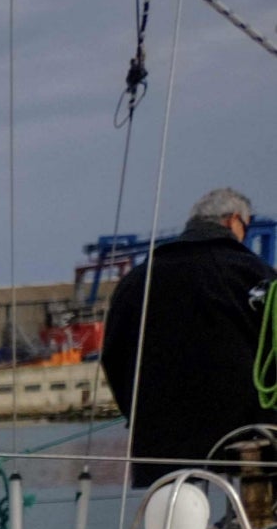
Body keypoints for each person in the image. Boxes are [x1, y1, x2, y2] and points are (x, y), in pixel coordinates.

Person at [101, 185, 277, 483]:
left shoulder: (135, 282)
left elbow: (114, 357)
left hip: (161, 437)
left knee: (176, 517)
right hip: (247, 436)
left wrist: (136, 411)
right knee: (257, 515)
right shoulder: (253, 273)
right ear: (234, 220)